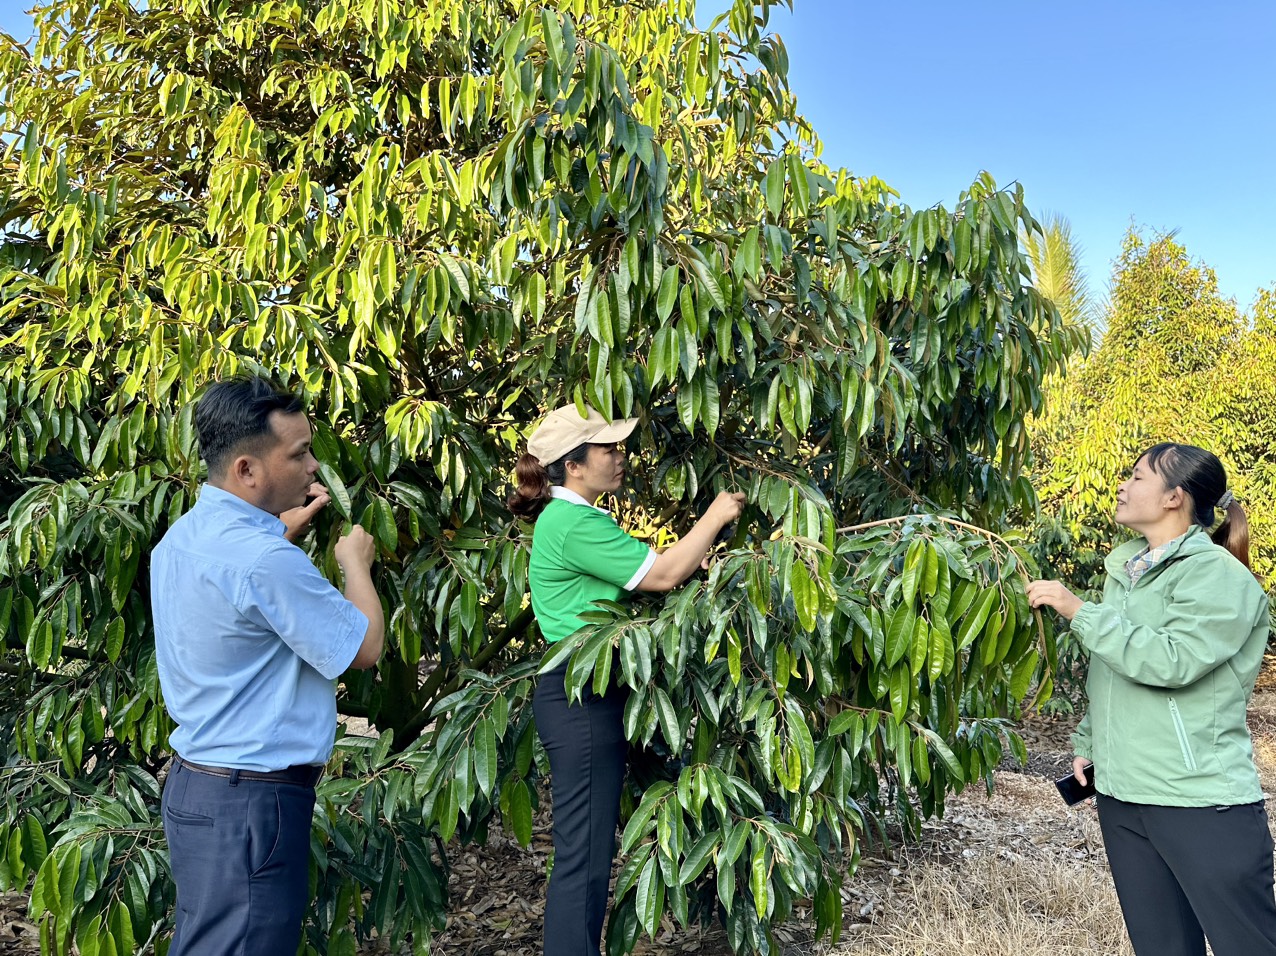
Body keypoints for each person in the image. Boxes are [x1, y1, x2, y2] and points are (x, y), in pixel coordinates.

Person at [151, 376, 385, 956]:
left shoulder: (182, 539)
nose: (314, 468)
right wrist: (355, 564)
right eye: (299, 454)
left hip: (196, 786)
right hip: (253, 804)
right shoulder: (265, 561)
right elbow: (364, 648)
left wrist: (283, 532)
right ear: (248, 471)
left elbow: (239, 587)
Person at [507, 402, 745, 956]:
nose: (620, 457)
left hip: (585, 691)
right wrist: (715, 514)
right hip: (580, 695)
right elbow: (661, 574)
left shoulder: (572, 520)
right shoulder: (571, 522)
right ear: (572, 465)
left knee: (587, 853)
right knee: (583, 858)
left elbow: (645, 573)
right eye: (607, 449)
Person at [1027, 442, 1276, 956]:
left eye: (1137, 477)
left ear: (1174, 497)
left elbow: (1172, 661)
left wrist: (1080, 611)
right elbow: (1115, 670)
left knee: (1247, 944)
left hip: (1199, 800)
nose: (1123, 485)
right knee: (1161, 945)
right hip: (1123, 796)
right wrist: (1091, 740)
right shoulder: (1128, 570)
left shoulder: (1219, 577)